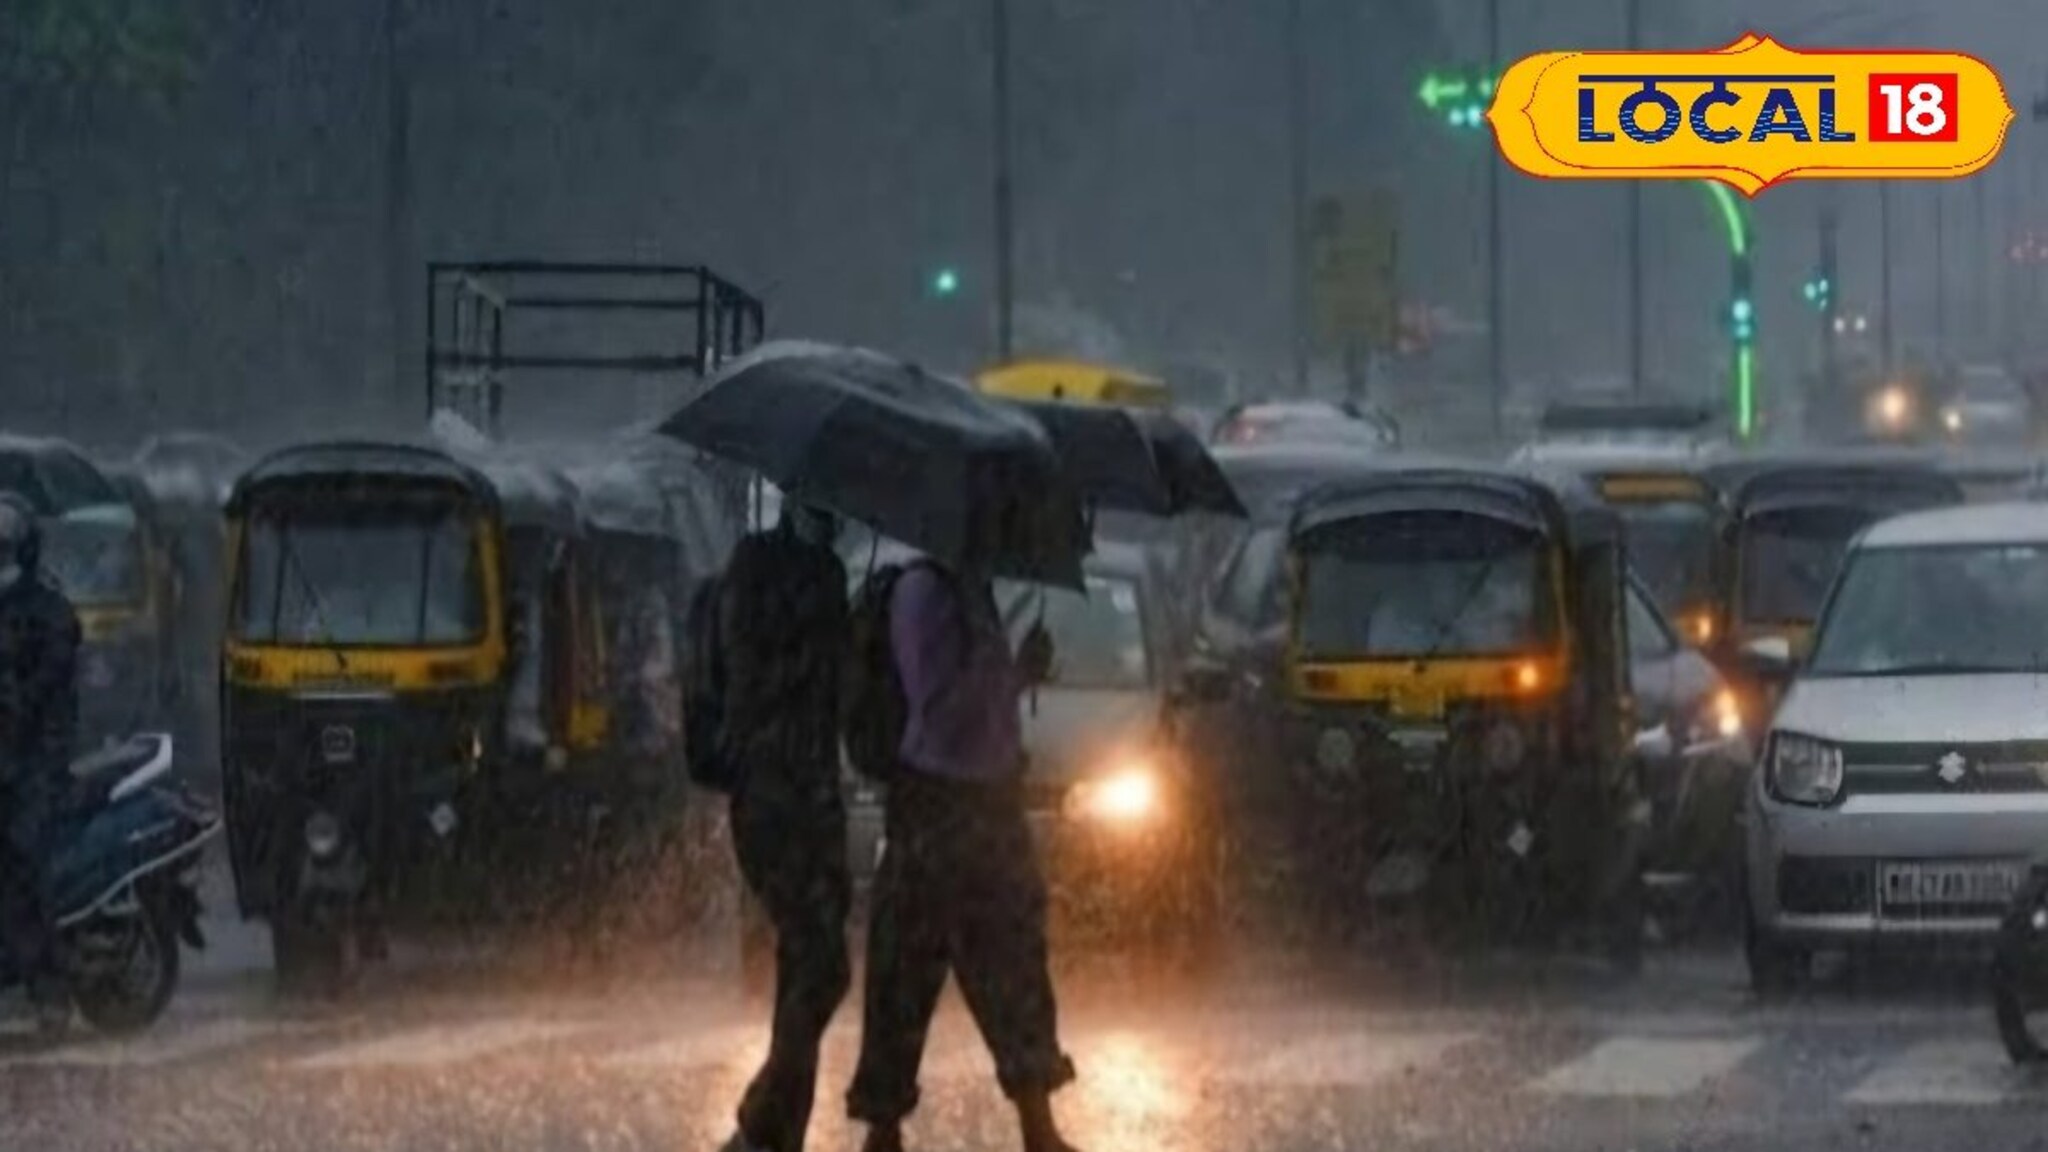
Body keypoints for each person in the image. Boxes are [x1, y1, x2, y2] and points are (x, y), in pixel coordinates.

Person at [846, 530, 1081, 1152]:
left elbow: (980, 710)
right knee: (906, 972)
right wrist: (1007, 676)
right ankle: (884, 1125)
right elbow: (941, 711)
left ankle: (1038, 1122)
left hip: (990, 803)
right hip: (937, 807)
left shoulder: (974, 594)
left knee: (1014, 965)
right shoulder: (924, 594)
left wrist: (1020, 673)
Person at [716, 499, 853, 1152]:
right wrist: (831, 634)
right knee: (823, 966)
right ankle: (762, 1116)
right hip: (777, 795)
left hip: (801, 795)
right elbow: (766, 679)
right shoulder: (777, 570)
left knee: (807, 963)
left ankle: (779, 1132)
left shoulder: (808, 570)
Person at [0, 494, 82, 1037]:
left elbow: (38, 692)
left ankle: (49, 986)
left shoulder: (47, 613)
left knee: (20, 855)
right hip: (6, 754)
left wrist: (13, 697)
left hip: (37, 759)